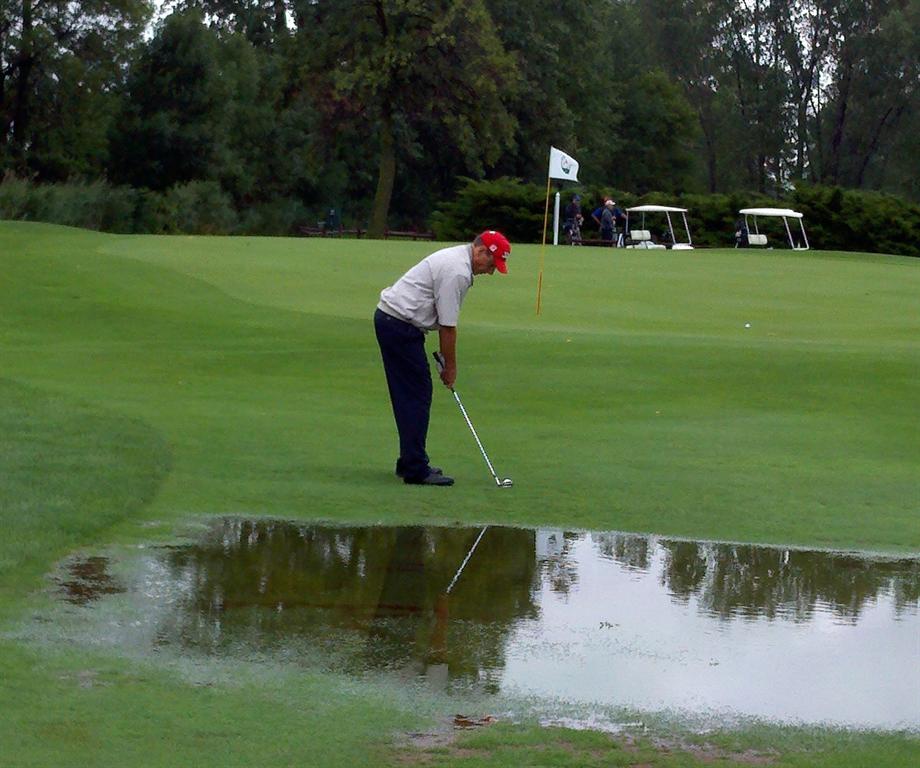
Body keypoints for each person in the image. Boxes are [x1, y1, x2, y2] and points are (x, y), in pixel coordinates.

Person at [374, 230, 511, 486]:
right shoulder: (456, 271)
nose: (491, 272)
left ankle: (410, 461)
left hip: (398, 323)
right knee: (416, 395)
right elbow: (448, 327)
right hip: (398, 324)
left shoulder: (460, 261)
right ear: (481, 251)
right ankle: (414, 468)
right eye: (491, 265)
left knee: (413, 394)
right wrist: (450, 368)